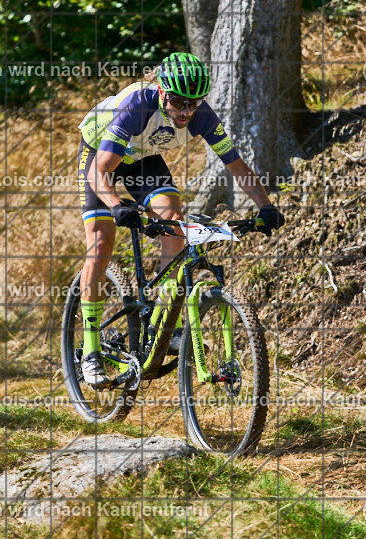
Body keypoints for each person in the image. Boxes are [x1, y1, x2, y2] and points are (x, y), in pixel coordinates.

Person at [76, 51, 284, 388]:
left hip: (143, 158)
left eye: (194, 103)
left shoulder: (201, 116)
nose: (186, 111)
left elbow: (235, 164)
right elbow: (100, 171)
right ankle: (89, 348)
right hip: (101, 152)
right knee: (101, 243)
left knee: (173, 221)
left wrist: (266, 206)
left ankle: (163, 324)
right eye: (178, 102)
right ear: (161, 91)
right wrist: (116, 204)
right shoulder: (139, 105)